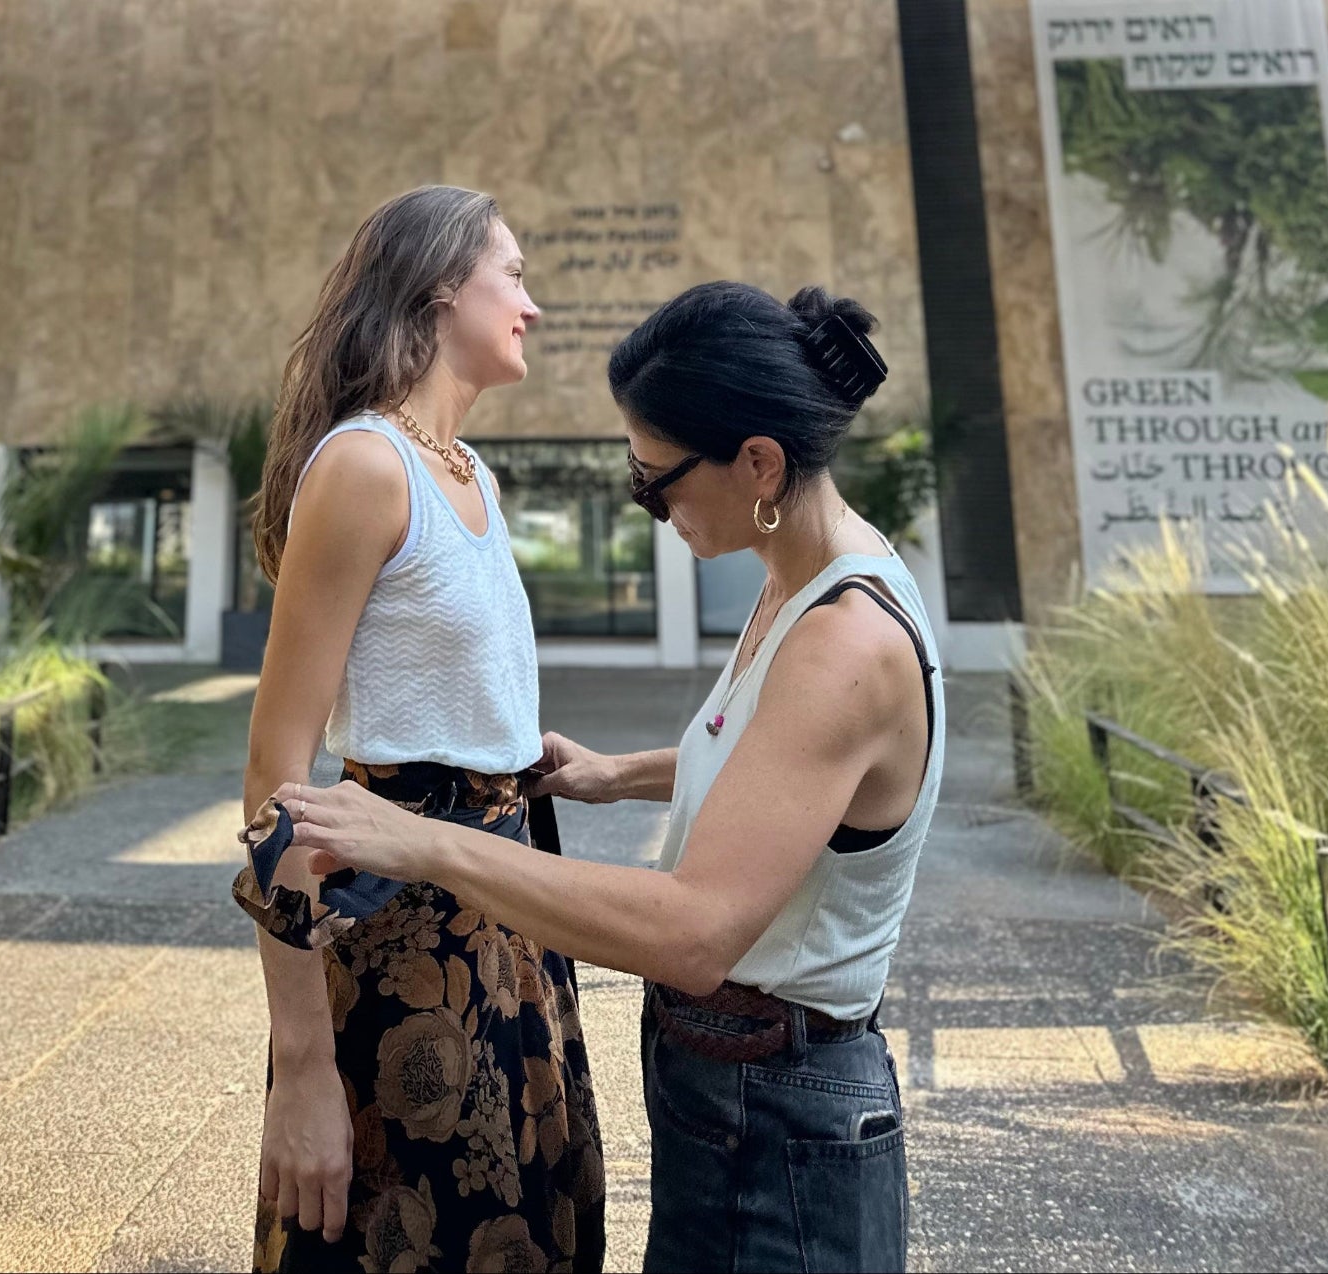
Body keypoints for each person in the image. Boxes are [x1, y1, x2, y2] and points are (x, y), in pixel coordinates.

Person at [267, 281, 941, 1273]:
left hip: (783, 1126)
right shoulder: (809, 578)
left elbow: (693, 931)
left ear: (758, 463)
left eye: (655, 481)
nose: (652, 508)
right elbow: (787, 772)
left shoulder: (844, 640)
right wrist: (615, 774)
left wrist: (427, 842)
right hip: (740, 1094)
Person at [233, 185, 605, 1274]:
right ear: (442, 289)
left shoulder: (470, 472)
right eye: (514, 275)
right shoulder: (364, 466)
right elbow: (274, 772)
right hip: (405, 946)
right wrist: (303, 1068)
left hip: (513, 920)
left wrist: (514, 752)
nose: (532, 304)